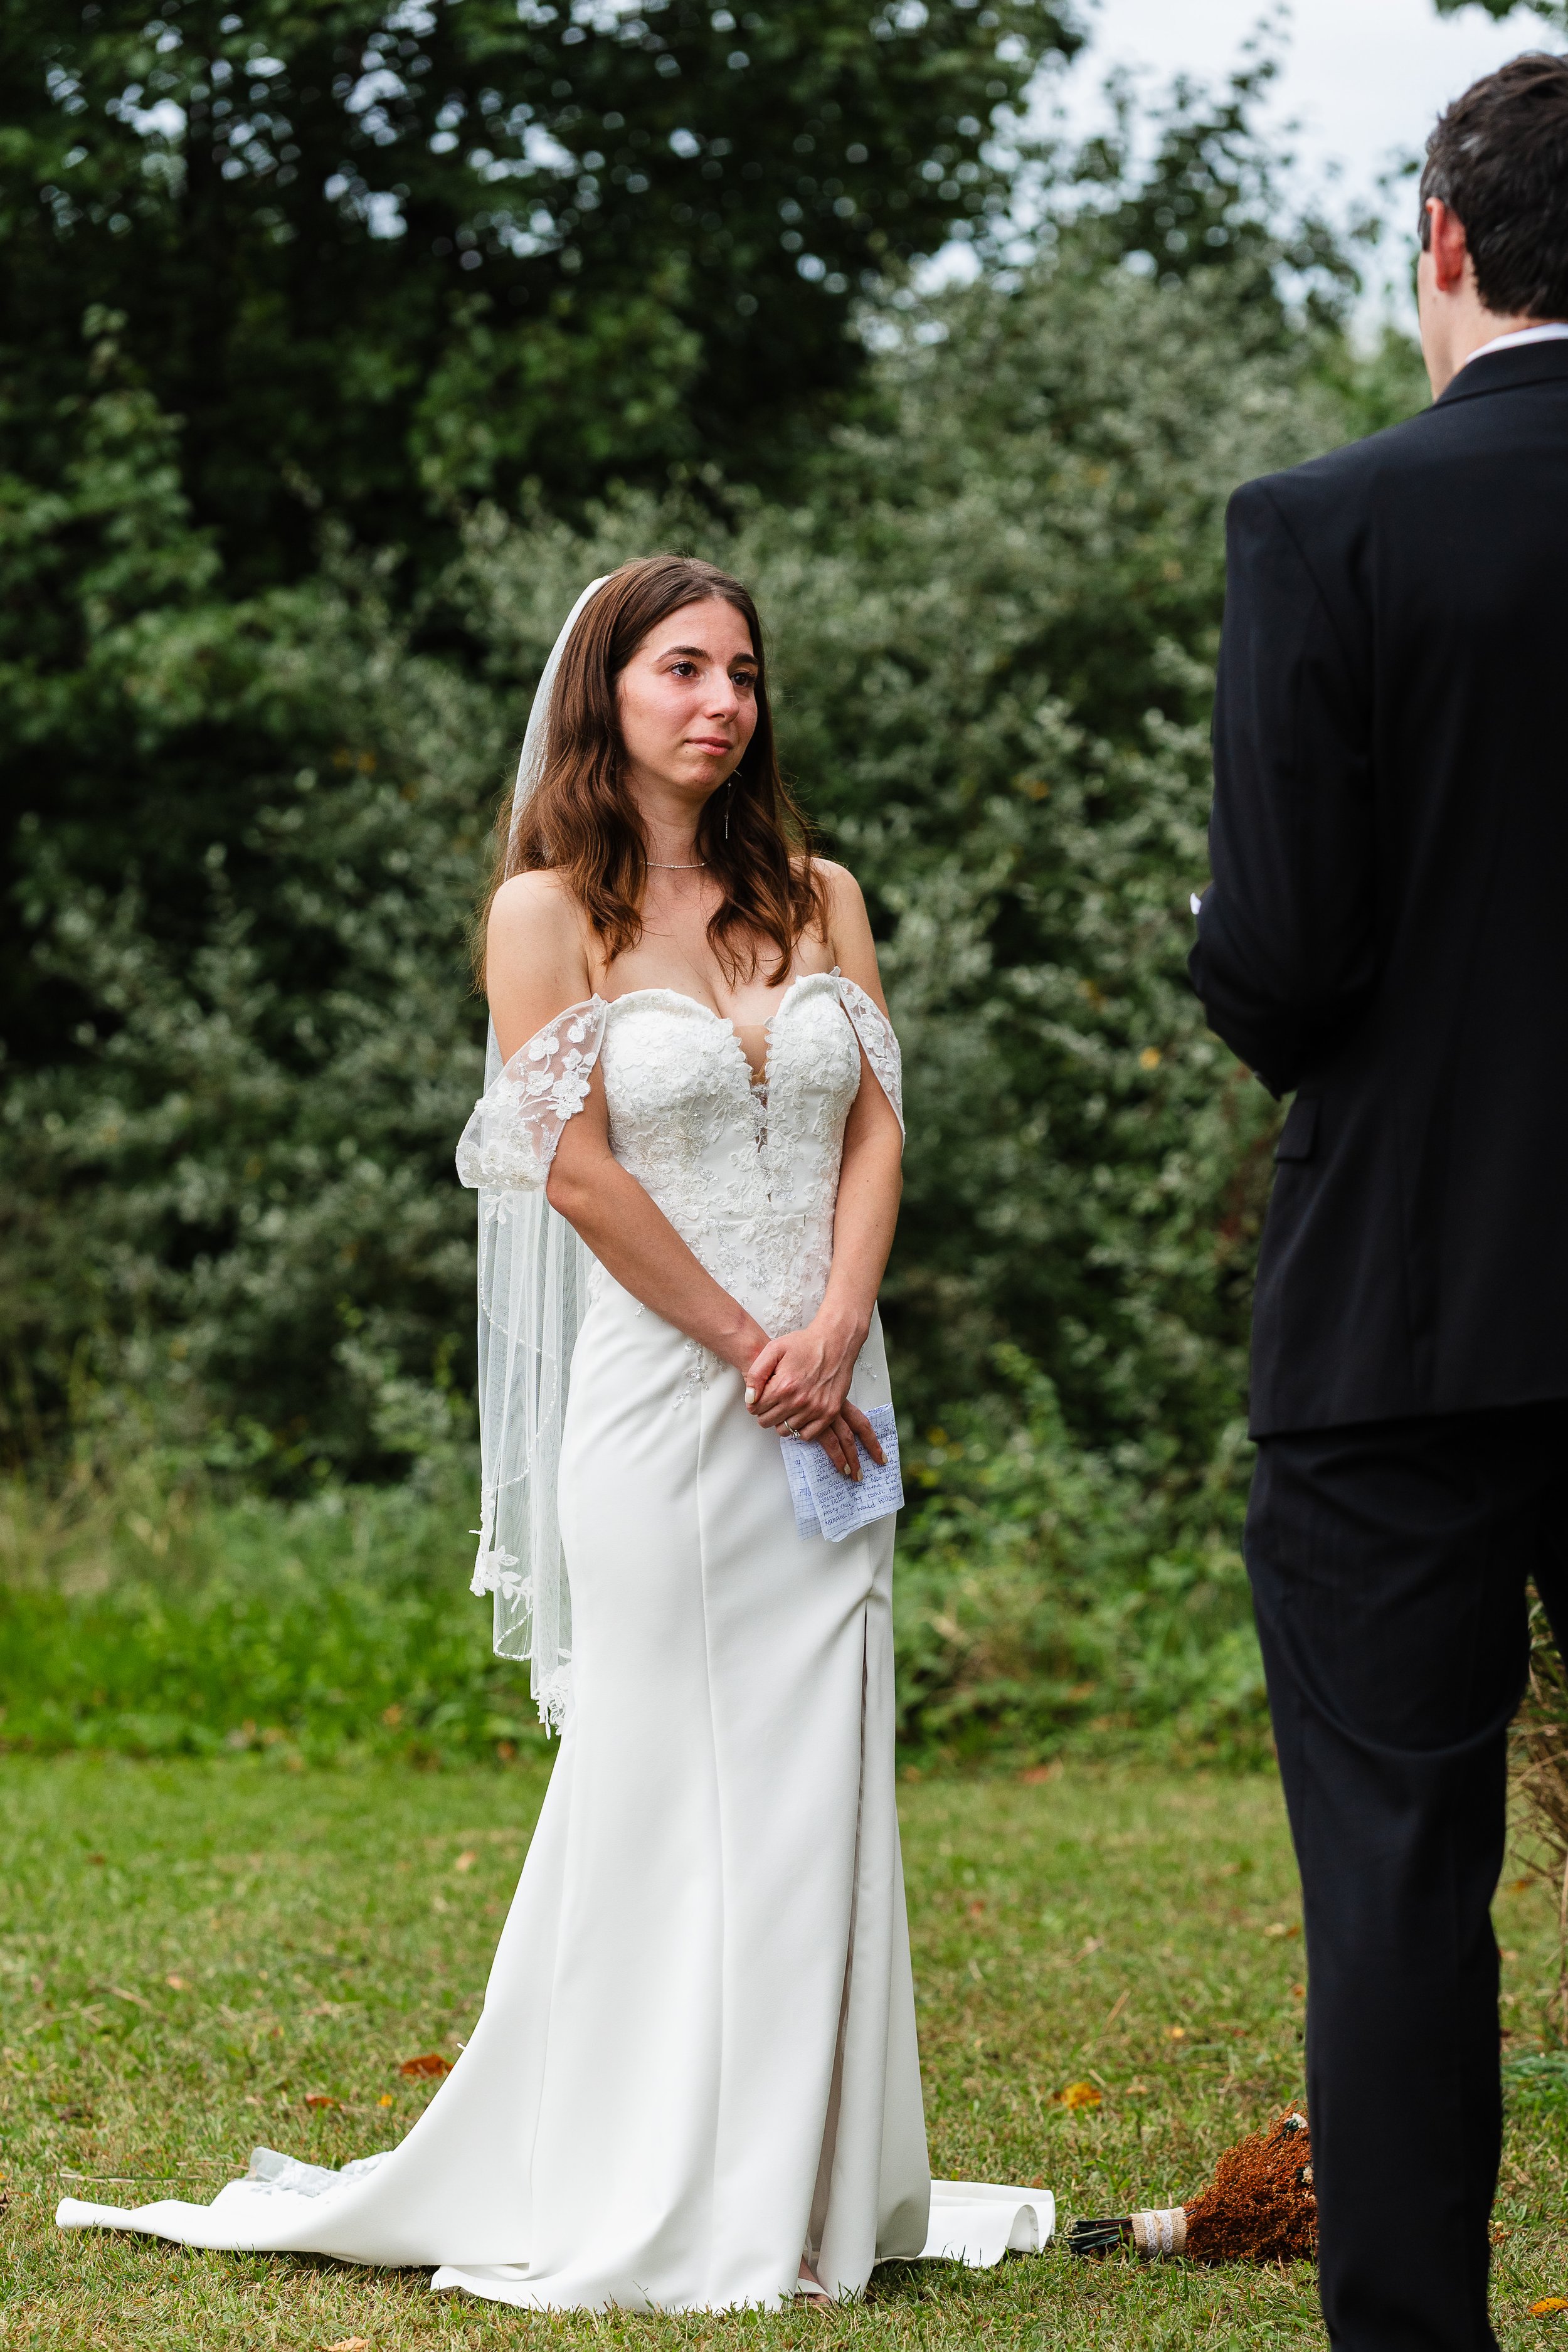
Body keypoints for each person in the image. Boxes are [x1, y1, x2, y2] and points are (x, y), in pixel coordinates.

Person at [56, 557, 1052, 2308]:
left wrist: (831, 1332)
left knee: (824, 1782)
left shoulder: (820, 893)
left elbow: (877, 1126)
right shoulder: (547, 914)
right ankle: (653, 2172)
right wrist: (755, 1343)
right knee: (669, 1783)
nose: (720, 701)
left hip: (833, 1396)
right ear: (605, 692)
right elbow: (575, 1169)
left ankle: (807, 2196)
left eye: (742, 671)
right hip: (670, 1407)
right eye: (681, 668)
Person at [1189, 53, 1568, 2352]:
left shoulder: (1320, 526)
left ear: (1439, 239)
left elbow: (1284, 962)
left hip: (1401, 1319)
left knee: (1402, 1881)